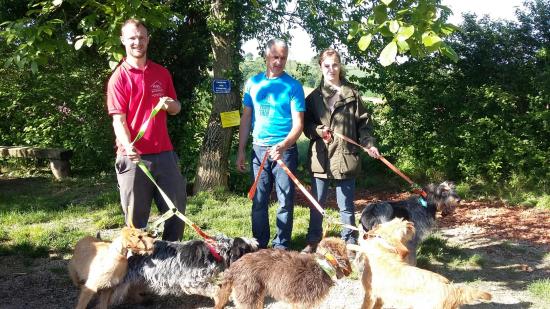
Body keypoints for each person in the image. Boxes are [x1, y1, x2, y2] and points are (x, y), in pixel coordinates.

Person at [106, 19, 186, 241]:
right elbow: (118, 121)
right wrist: (128, 145)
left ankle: (170, 264)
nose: (137, 42)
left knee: (176, 213)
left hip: (165, 155)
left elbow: (176, 108)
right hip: (133, 157)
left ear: (148, 39)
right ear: (123, 40)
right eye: (132, 37)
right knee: (135, 223)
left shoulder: (161, 73)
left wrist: (171, 104)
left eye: (141, 37)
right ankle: (134, 268)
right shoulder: (119, 78)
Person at [302, 48, 380, 253]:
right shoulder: (312, 98)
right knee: (317, 203)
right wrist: (319, 131)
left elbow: (364, 124)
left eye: (334, 64)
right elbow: (305, 126)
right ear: (321, 67)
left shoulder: (352, 94)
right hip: (320, 158)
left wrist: (369, 143)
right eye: (326, 65)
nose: (331, 69)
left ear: (340, 66)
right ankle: (313, 240)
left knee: (345, 204)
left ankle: (349, 240)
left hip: (345, 157)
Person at [236, 39, 305, 250]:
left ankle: (281, 246)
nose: (279, 61)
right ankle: (259, 244)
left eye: (283, 58)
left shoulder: (293, 86)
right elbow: (246, 118)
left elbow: (299, 124)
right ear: (266, 56)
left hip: (284, 152)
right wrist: (241, 151)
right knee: (259, 200)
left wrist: (284, 145)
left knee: (285, 200)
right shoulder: (253, 83)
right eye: (275, 56)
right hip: (259, 150)